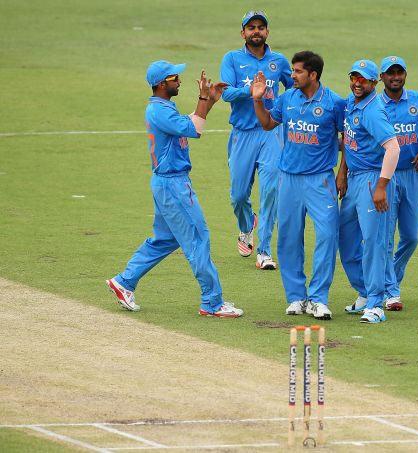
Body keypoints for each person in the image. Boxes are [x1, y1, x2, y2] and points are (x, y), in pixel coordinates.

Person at [106, 61, 243, 318]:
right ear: (161, 84)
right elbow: (194, 129)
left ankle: (124, 282)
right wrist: (203, 96)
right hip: (173, 185)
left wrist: (210, 101)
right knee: (198, 237)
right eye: (174, 78)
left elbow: (191, 120)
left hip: (167, 183)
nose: (179, 81)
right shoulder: (159, 111)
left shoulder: (164, 107)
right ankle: (212, 302)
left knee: (166, 239)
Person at [251, 51, 345, 320]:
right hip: (289, 179)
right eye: (292, 71)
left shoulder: (334, 103)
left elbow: (346, 140)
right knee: (289, 238)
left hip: (320, 180)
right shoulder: (288, 98)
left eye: (297, 71)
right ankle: (296, 297)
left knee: (327, 235)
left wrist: (342, 175)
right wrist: (258, 101)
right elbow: (268, 124)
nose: (292, 75)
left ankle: (318, 298)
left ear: (313, 75)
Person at [219, 10, 293, 269]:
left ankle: (264, 251)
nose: (256, 31)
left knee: (271, 189)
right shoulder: (231, 59)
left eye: (261, 27)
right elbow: (225, 94)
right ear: (243, 33)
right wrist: (250, 91)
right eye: (251, 27)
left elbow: (294, 89)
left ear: (267, 32)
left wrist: (283, 106)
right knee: (238, 195)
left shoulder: (279, 61)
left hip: (272, 132)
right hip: (242, 134)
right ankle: (246, 223)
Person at [338, 59, 401, 324]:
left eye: (362, 79)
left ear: (374, 82)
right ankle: (364, 293)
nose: (357, 83)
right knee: (346, 238)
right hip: (355, 180)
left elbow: (394, 148)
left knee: (374, 243)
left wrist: (381, 187)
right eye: (354, 77)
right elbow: (348, 143)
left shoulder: (373, 110)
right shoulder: (352, 103)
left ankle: (376, 303)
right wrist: (342, 172)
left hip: (373, 180)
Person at [379, 56, 418, 311]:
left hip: (412, 175)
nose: (395, 77)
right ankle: (391, 291)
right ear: (381, 77)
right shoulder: (374, 105)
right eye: (390, 73)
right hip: (385, 176)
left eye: (399, 72)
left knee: (411, 236)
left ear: (405, 74)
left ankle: (390, 276)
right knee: (386, 236)